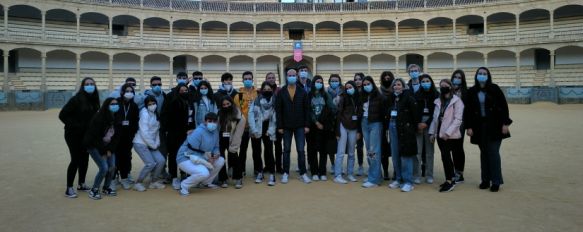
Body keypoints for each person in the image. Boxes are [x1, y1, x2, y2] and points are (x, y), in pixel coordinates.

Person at [465, 67, 512, 192]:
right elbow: (468, 111)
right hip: (479, 126)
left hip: (495, 125)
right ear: (476, 76)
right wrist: (469, 126)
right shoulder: (472, 91)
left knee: (493, 153)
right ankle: (485, 180)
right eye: (480, 73)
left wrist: (505, 124)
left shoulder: (495, 88)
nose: (482, 75)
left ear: (488, 76)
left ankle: (496, 181)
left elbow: (504, 106)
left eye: (484, 73)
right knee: (484, 153)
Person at [59, 77, 101, 198]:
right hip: (73, 134)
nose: (90, 86)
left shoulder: (94, 100)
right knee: (75, 159)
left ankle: (81, 184)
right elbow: (62, 115)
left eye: (92, 84)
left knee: (85, 159)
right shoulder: (76, 99)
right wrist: (77, 125)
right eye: (87, 84)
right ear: (83, 86)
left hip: (86, 135)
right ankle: (69, 188)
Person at [176, 112, 225, 196]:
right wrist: (207, 159)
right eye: (210, 121)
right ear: (205, 121)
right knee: (203, 172)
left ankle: (205, 183)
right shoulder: (198, 132)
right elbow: (191, 151)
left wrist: (216, 154)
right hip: (185, 158)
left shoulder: (216, 131)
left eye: (214, 121)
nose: (212, 123)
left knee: (221, 160)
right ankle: (184, 185)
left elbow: (216, 147)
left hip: (201, 158)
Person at [275, 68, 311, 184]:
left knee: (301, 150)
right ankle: (286, 173)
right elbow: (278, 110)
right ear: (286, 76)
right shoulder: (281, 92)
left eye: (294, 75)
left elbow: (307, 110)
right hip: (286, 126)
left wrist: (307, 125)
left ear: (297, 76)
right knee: (286, 150)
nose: (292, 77)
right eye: (289, 75)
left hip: (300, 125)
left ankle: (303, 173)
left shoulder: (302, 91)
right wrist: (280, 126)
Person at [429, 79, 464, 192]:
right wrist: (432, 133)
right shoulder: (438, 101)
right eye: (441, 85)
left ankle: (450, 181)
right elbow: (435, 119)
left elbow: (458, 119)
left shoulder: (457, 101)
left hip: (450, 135)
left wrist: (448, 133)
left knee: (447, 157)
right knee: (445, 157)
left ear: (450, 87)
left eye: (446, 85)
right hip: (440, 133)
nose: (443, 87)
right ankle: (449, 178)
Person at [83, 97, 120, 200]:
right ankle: (94, 190)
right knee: (104, 168)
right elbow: (95, 137)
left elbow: (116, 137)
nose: (115, 106)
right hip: (94, 146)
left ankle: (106, 187)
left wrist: (110, 149)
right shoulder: (99, 117)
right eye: (112, 104)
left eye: (116, 104)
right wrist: (104, 151)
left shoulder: (117, 117)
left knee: (112, 167)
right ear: (106, 105)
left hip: (108, 146)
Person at [161, 83, 196, 190]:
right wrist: (167, 130)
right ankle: (174, 176)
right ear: (177, 91)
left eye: (186, 90)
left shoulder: (190, 100)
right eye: (182, 90)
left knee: (185, 154)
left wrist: (191, 127)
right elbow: (165, 115)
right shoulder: (173, 101)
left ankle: (184, 173)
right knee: (173, 155)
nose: (184, 92)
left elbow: (191, 117)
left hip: (187, 133)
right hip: (174, 133)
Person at [387, 78, 419, 192]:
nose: (396, 86)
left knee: (406, 155)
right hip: (392, 126)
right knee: (395, 155)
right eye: (394, 85)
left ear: (403, 86)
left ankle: (408, 182)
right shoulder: (392, 98)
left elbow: (415, 114)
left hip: (405, 128)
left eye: (399, 84)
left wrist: (413, 128)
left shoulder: (408, 97)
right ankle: (398, 178)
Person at [132, 96, 166, 192]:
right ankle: (138, 183)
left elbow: (156, 132)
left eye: (153, 103)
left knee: (161, 161)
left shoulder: (155, 114)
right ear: (146, 105)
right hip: (140, 143)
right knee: (150, 163)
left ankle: (153, 182)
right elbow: (144, 132)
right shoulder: (144, 113)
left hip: (151, 143)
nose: (152, 106)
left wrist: (156, 143)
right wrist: (153, 145)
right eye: (149, 104)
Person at [306, 75, 337, 181]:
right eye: (317, 81)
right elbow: (308, 110)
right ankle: (314, 172)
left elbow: (331, 108)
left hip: (324, 126)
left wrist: (324, 121)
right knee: (312, 149)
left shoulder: (326, 95)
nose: (319, 83)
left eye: (321, 82)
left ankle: (322, 172)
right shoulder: (309, 95)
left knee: (324, 150)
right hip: (312, 126)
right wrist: (315, 121)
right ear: (313, 83)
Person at [360, 76, 387, 188]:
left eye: (368, 84)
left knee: (374, 150)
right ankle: (375, 174)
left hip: (375, 123)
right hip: (364, 123)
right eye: (364, 85)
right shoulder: (362, 96)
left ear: (372, 83)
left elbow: (383, 112)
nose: (366, 86)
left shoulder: (379, 96)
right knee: (369, 150)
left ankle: (374, 180)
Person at [248, 81, 278, 186]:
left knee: (269, 151)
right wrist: (254, 129)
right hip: (257, 127)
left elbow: (275, 118)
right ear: (261, 90)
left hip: (268, 127)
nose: (267, 91)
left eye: (269, 89)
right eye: (264, 89)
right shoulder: (256, 100)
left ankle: (272, 174)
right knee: (256, 151)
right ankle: (259, 172)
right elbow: (250, 115)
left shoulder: (275, 101)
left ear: (272, 90)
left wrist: (270, 131)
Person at [412, 74, 439, 185]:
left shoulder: (436, 95)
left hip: (431, 123)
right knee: (417, 152)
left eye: (427, 81)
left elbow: (435, 113)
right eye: (423, 81)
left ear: (431, 82)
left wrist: (426, 124)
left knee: (429, 151)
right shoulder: (416, 94)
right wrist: (418, 124)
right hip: (418, 124)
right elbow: (414, 111)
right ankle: (417, 175)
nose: (425, 83)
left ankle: (429, 175)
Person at [113, 83, 139, 190]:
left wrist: (132, 132)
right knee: (115, 158)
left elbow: (135, 120)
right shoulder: (116, 103)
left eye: (131, 92)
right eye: (127, 91)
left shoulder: (134, 106)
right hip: (115, 136)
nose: (129, 93)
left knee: (126, 157)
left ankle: (124, 178)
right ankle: (113, 178)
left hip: (128, 137)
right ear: (122, 92)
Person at [333, 80, 361, 184]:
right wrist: (337, 131)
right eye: (347, 88)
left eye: (351, 87)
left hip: (354, 127)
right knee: (340, 152)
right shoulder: (343, 98)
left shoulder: (358, 98)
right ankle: (338, 175)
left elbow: (359, 116)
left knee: (351, 152)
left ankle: (350, 173)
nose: (349, 89)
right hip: (343, 126)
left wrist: (359, 130)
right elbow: (339, 114)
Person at [234, 71, 260, 179]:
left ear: (252, 80)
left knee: (257, 150)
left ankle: (258, 171)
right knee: (243, 151)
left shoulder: (257, 94)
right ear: (242, 80)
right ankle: (242, 170)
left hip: (255, 128)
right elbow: (238, 111)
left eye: (249, 78)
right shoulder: (239, 95)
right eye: (246, 79)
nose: (247, 80)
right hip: (244, 127)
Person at [217, 96, 246, 188]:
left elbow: (238, 133)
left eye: (228, 104)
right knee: (220, 159)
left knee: (234, 157)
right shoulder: (219, 113)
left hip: (232, 139)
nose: (226, 106)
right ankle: (223, 179)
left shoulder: (239, 116)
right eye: (224, 105)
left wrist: (234, 146)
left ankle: (238, 178)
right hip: (221, 139)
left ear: (231, 103)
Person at [450, 69, 469, 183]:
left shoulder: (465, 92)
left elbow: (468, 110)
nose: (457, 79)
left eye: (459, 77)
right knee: (451, 147)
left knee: (458, 147)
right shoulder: (448, 90)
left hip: (460, 123)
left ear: (462, 80)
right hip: (449, 123)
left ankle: (459, 172)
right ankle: (454, 171)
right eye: (455, 77)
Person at [265, 72, 284, 175]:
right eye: (269, 78)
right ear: (266, 79)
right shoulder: (263, 90)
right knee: (268, 146)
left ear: (275, 79)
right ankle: (268, 165)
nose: (271, 79)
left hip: (278, 121)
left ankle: (278, 166)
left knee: (278, 145)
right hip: (266, 122)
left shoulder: (280, 90)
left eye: (273, 78)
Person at [379, 71, 395, 180]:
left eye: (389, 77)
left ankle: (396, 171)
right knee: (384, 149)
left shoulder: (396, 91)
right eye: (385, 77)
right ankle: (385, 171)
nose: (387, 79)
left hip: (394, 122)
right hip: (382, 123)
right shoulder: (379, 92)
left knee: (395, 148)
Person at [326, 74, 343, 173]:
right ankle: (333, 164)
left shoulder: (343, 92)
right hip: (329, 121)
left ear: (339, 82)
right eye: (332, 81)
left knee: (340, 144)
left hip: (340, 120)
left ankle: (339, 164)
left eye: (336, 81)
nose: (334, 82)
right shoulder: (325, 92)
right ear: (329, 82)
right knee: (331, 144)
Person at [353, 72, 365, 176]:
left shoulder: (367, 92)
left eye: (359, 79)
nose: (357, 81)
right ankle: (360, 166)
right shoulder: (353, 93)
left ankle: (373, 166)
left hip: (366, 121)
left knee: (371, 146)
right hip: (357, 122)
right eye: (356, 79)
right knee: (359, 146)